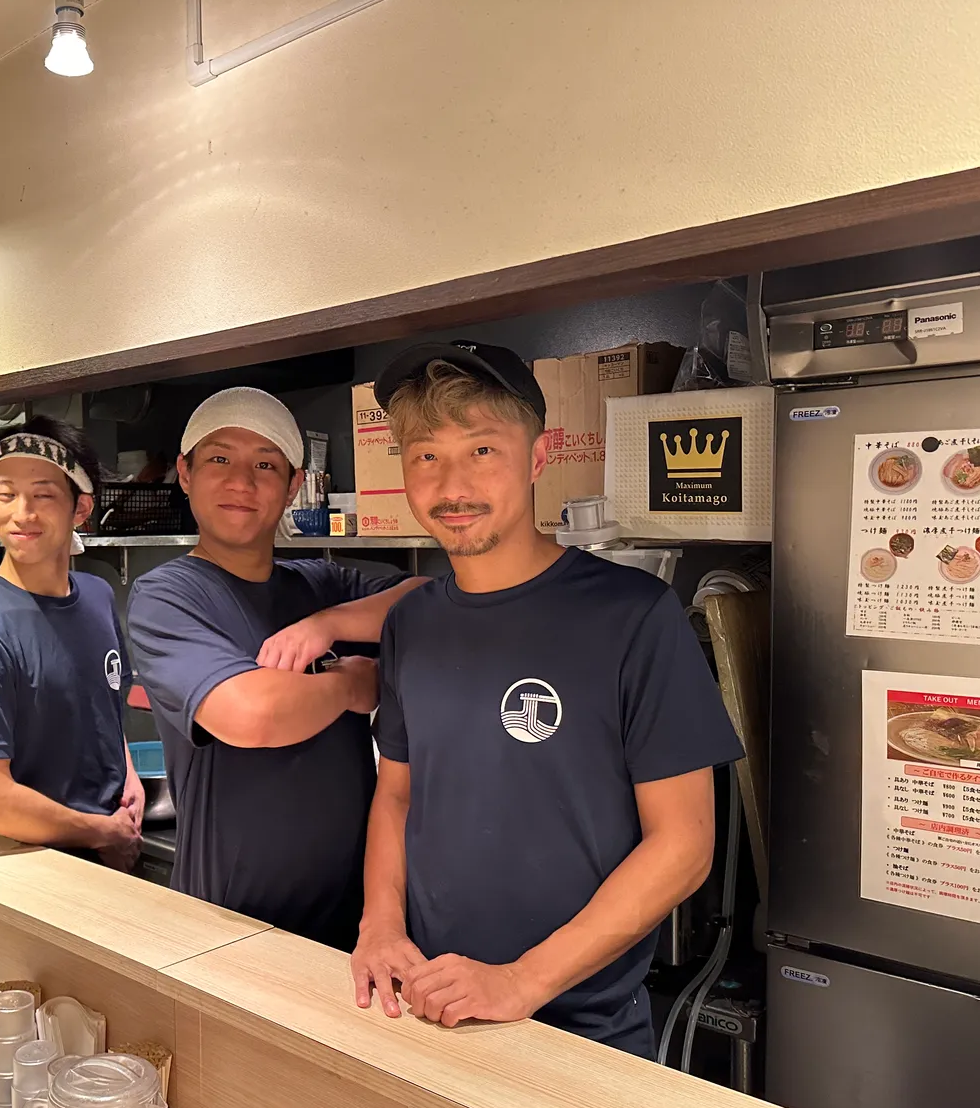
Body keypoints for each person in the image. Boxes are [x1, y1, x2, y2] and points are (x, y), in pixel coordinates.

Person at [349, 341, 743, 1058]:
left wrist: (521, 981)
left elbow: (684, 846)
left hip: (583, 1024)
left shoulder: (632, 615)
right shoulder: (411, 624)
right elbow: (398, 796)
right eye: (426, 456)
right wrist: (379, 924)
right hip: (428, 1000)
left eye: (482, 451)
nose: (452, 485)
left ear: (537, 457)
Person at [128, 387, 429, 949]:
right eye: (219, 459)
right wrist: (349, 685)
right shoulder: (168, 596)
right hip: (231, 922)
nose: (241, 482)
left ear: (293, 485)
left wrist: (328, 623)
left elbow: (431, 597)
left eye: (265, 465)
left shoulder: (319, 584)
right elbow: (252, 715)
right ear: (185, 474)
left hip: (352, 919)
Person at [0, 416, 145, 870]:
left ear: (81, 508)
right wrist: (99, 831)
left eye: (44, 495)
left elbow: (104, 708)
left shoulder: (97, 596)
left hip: (112, 855)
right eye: (6, 494)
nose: (23, 514)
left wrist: (129, 774)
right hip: (33, 871)